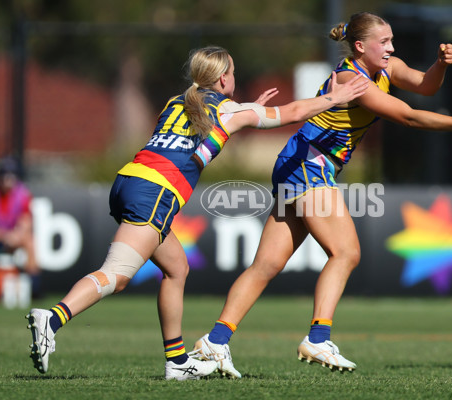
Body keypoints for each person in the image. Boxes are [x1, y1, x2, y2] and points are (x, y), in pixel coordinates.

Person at [25, 45, 369, 380]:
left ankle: (177, 362)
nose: (235, 76)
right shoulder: (229, 111)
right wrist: (333, 99)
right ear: (222, 80)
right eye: (232, 71)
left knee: (176, 268)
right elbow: (292, 113)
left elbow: (205, 130)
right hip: (156, 191)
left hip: (129, 180)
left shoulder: (176, 102)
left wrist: (249, 110)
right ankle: (51, 320)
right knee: (117, 274)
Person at [192, 12, 452, 378]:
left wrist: (440, 65)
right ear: (361, 46)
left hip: (299, 160)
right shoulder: (353, 79)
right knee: (346, 252)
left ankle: (214, 342)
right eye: (385, 42)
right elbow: (409, 116)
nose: (392, 48)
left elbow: (426, 86)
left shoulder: (387, 67)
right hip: (309, 163)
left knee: (266, 265)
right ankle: (318, 337)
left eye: (393, 40)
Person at [0, 156, 42, 299]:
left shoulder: (22, 194)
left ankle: (34, 286)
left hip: (12, 238)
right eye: (4, 176)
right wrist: (4, 236)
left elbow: (26, 221)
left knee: (30, 242)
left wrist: (16, 236)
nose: (7, 180)